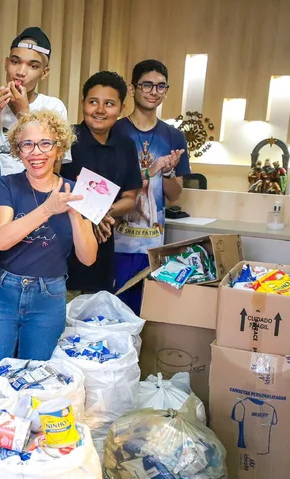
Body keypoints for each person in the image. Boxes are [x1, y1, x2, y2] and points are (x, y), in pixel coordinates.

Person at [0, 110, 95, 367]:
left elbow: (88, 258)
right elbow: (1, 239)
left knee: (38, 377)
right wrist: (47, 209)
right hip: (2, 292)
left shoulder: (75, 190)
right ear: (17, 150)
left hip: (49, 296)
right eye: (27, 144)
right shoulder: (8, 184)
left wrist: (75, 214)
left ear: (59, 148)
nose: (36, 152)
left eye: (45, 143)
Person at [113, 59, 190, 313]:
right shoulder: (115, 130)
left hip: (152, 245)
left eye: (160, 86)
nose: (153, 92)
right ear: (133, 87)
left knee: (144, 312)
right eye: (147, 85)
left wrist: (167, 172)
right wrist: (152, 169)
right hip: (114, 241)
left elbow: (175, 196)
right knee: (112, 310)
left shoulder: (174, 136)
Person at [61, 71, 141, 296]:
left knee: (97, 319)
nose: (100, 110)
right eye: (93, 102)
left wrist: (102, 212)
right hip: (66, 249)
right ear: (83, 103)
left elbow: (130, 199)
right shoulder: (67, 140)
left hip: (104, 247)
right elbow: (54, 188)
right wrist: (90, 216)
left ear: (121, 109)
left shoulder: (126, 145)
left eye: (109, 104)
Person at [0, 26, 70, 177]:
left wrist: (24, 115)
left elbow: (55, 169)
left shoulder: (54, 107)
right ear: (6, 64)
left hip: (34, 191)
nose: (20, 72)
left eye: (33, 66)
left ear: (44, 73)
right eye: (15, 62)